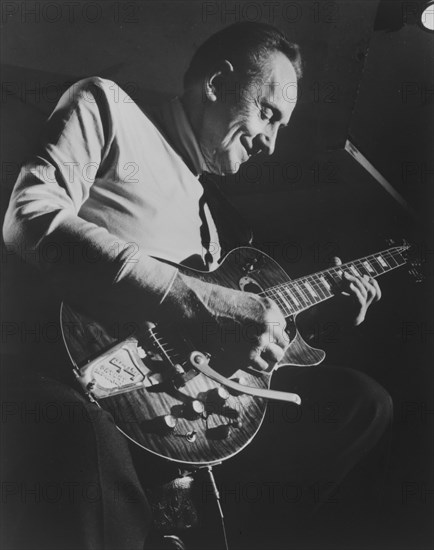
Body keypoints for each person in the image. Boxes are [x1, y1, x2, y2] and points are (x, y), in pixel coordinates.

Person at [2, 22, 392, 550]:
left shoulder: (218, 223)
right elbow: (30, 216)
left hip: (191, 411)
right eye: (268, 114)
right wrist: (200, 301)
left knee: (359, 402)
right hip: (79, 373)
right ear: (217, 83)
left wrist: (314, 318)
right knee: (74, 434)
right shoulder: (108, 105)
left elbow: (231, 326)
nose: (271, 144)